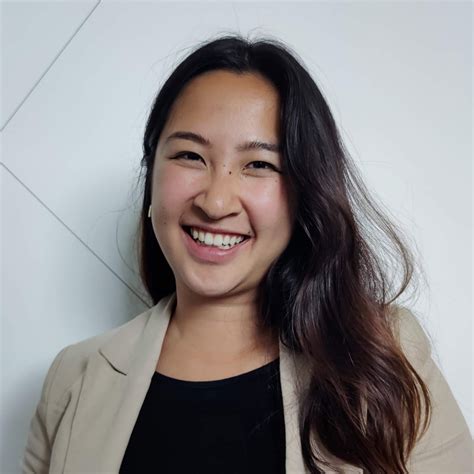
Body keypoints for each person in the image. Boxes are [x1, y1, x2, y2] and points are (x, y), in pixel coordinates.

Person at [22, 34, 472, 474]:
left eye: (259, 164)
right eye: (190, 156)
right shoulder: (73, 380)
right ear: (152, 172)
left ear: (304, 192)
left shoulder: (382, 354)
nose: (216, 202)